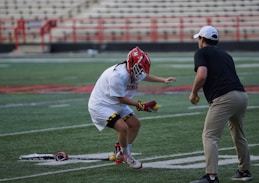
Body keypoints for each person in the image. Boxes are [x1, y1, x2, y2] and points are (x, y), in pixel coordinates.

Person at [88, 47, 176, 169]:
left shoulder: (134, 70)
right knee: (123, 128)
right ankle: (126, 156)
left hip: (114, 102)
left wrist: (163, 80)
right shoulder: (118, 75)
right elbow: (121, 98)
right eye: (139, 68)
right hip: (101, 105)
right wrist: (141, 105)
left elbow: (144, 75)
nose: (141, 72)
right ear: (132, 63)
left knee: (135, 124)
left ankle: (121, 151)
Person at [189, 25, 253, 183]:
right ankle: (245, 171)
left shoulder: (202, 52)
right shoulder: (226, 54)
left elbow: (202, 75)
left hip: (224, 97)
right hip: (241, 95)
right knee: (239, 135)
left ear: (202, 39)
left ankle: (211, 176)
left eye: (199, 38)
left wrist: (194, 92)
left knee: (209, 135)